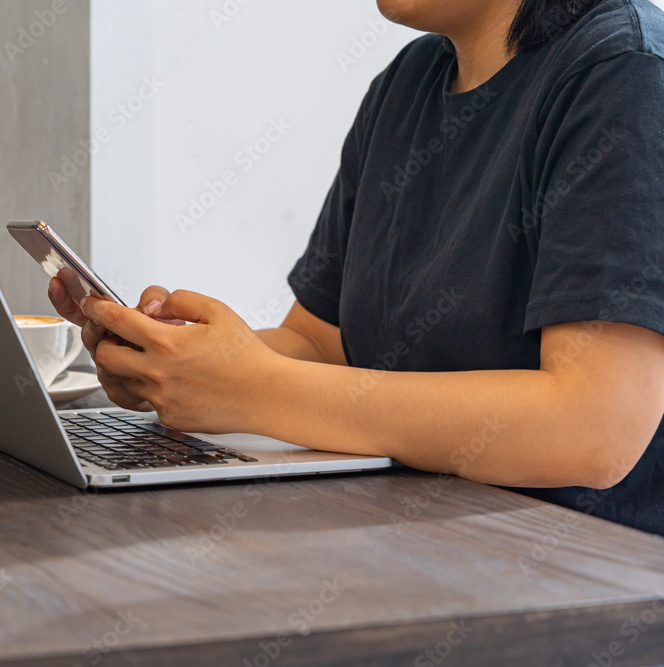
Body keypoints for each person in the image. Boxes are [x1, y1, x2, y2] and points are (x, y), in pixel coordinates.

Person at [49, 0, 664, 537]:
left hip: (580, 590)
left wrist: (255, 389)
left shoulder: (623, 74)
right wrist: (176, 365)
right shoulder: (408, 84)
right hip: (404, 538)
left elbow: (594, 429)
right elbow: (321, 342)